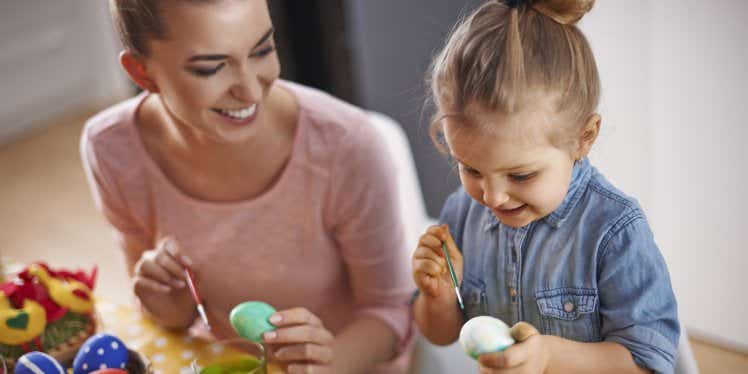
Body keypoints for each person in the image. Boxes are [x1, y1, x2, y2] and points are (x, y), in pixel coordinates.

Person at [81, 0, 413, 372]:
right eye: (211, 68)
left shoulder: (346, 146)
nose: (252, 92)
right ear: (142, 73)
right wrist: (172, 307)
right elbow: (164, 318)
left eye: (263, 50)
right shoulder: (112, 148)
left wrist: (326, 364)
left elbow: (392, 313)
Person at [411, 1, 679, 373]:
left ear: (583, 138)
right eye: (469, 168)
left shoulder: (614, 230)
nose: (492, 197)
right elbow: (440, 335)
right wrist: (436, 296)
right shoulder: (462, 213)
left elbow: (647, 363)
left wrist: (549, 358)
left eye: (520, 176)